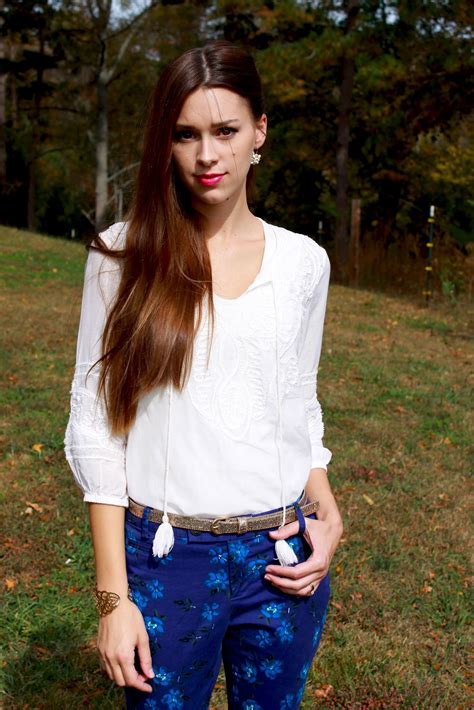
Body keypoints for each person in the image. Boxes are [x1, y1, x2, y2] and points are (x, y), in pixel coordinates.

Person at [65, 40, 343, 710]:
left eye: (225, 131)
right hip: (166, 558)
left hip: (283, 557)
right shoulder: (121, 255)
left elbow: (296, 399)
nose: (207, 156)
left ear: (260, 132)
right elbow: (96, 426)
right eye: (185, 135)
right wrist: (113, 598)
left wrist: (326, 508)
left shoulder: (305, 263)